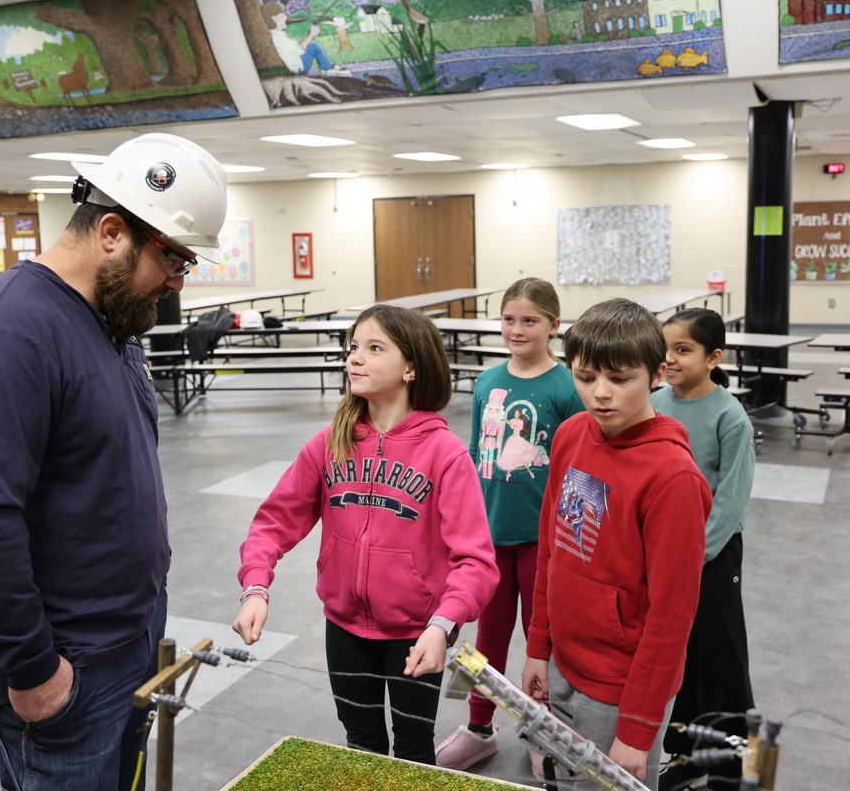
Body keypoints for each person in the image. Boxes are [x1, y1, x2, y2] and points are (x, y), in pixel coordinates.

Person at [0, 133, 227, 791]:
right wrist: (34, 671)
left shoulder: (111, 321)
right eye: (175, 261)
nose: (179, 283)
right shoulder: (7, 331)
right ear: (114, 232)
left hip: (125, 635)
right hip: (65, 666)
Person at [231, 304, 498, 764]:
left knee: (414, 754)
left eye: (374, 348)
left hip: (418, 633)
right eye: (354, 346)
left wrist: (443, 624)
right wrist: (256, 585)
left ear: (411, 367)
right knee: (363, 749)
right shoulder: (329, 442)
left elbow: (474, 560)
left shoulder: (445, 454)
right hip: (345, 628)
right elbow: (274, 521)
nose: (354, 357)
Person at [521, 298, 712, 790]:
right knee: (557, 781)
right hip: (562, 662)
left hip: (619, 691)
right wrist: (538, 646)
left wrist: (639, 728)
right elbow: (551, 549)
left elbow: (672, 616)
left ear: (657, 373)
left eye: (619, 379)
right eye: (585, 378)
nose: (600, 394)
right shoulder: (570, 435)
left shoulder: (673, 479)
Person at [436, 278, 584, 771]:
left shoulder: (566, 387)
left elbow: (579, 465)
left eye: (530, 321)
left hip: (544, 543)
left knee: (544, 643)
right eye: (509, 319)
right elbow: (477, 455)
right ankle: (480, 727)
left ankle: (543, 732)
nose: (517, 330)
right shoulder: (486, 382)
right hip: (491, 538)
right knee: (490, 639)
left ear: (553, 326)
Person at [651, 308, 756, 790]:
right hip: (659, 555)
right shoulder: (653, 403)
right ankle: (688, 754)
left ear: (714, 357)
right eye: (665, 348)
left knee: (720, 657)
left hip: (710, 559)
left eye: (683, 350)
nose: (669, 359)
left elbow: (731, 501)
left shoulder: (730, 417)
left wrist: (692, 558)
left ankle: (733, 764)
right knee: (678, 656)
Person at [262, 0, 353, 77]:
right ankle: (329, 69)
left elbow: (297, 47)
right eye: (282, 16)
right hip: (296, 72)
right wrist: (311, 35)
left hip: (293, 68)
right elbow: (299, 50)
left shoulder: (276, 35)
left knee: (311, 44)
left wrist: (309, 35)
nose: (286, 17)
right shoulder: (278, 38)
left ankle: (329, 68)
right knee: (313, 45)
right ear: (274, 19)